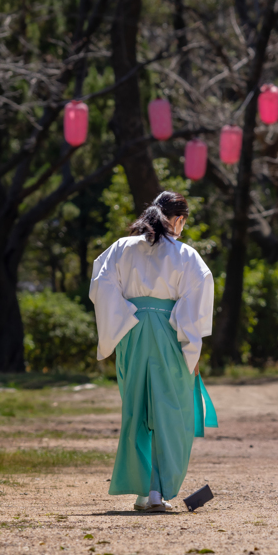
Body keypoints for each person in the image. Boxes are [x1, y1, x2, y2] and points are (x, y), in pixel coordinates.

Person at [89, 191, 217, 512]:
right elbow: (195, 304)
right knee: (170, 411)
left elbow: (101, 284)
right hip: (168, 333)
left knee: (136, 409)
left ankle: (143, 492)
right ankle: (158, 491)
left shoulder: (121, 248)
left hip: (132, 331)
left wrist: (122, 319)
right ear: (178, 220)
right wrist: (192, 349)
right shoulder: (185, 255)